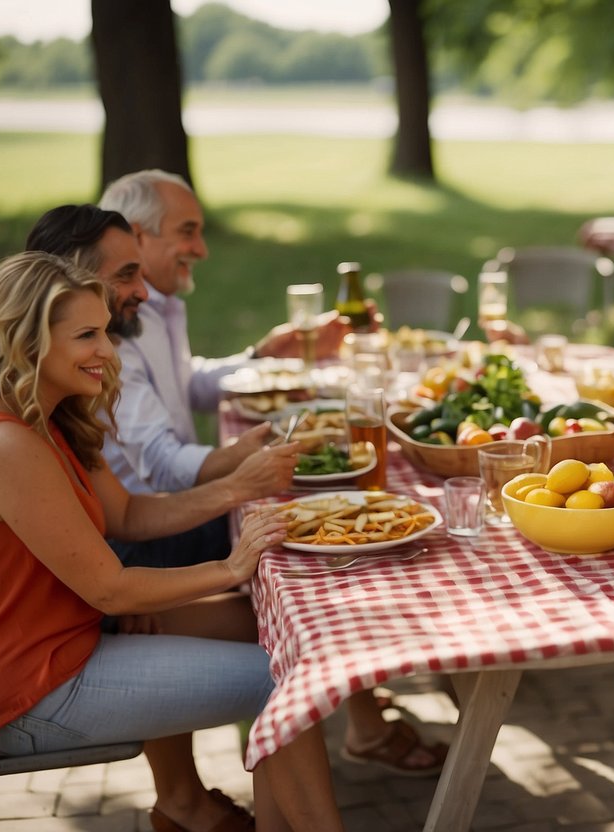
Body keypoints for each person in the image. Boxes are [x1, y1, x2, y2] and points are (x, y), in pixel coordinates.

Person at [26, 202, 448, 778]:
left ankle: (359, 702)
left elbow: (173, 417)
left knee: (301, 572)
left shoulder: (97, 360)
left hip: (124, 541)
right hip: (104, 593)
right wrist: (237, 494)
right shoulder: (64, 391)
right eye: (185, 231)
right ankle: (347, 709)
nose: (142, 288)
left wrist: (258, 361)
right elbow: (147, 501)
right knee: (301, 573)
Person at [0, 252, 345, 831]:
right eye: (87, 335)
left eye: (104, 331)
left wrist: (233, 486)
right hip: (34, 690)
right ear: (27, 343)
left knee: (279, 626)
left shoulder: (53, 419)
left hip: (74, 639)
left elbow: (127, 514)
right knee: (280, 681)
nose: (107, 349)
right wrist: (232, 565)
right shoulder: (7, 445)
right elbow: (111, 589)